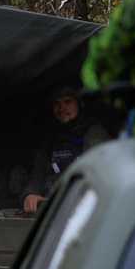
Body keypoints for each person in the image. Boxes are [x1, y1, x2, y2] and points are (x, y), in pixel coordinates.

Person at [18, 85, 109, 214]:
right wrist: (30, 194)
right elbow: (37, 175)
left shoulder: (94, 133)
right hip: (52, 208)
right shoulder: (50, 138)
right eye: (57, 104)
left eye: (68, 102)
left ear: (79, 104)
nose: (62, 108)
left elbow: (97, 177)